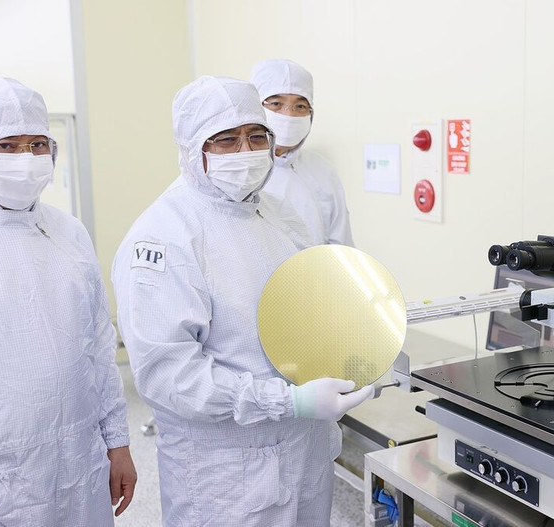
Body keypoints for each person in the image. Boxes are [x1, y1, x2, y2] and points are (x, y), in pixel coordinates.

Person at [112, 76, 373, 526]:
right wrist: (289, 402)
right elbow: (169, 376)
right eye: (226, 140)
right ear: (195, 148)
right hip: (225, 476)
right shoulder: (165, 236)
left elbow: (313, 302)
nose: (246, 151)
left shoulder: (275, 213)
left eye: (257, 136)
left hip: (304, 455)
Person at [0, 76, 136, 525]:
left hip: (81, 463)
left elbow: (99, 350)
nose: (24, 160)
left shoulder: (68, 233)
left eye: (35, 145)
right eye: (5, 146)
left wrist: (118, 443)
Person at [251, 59, 355, 247]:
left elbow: (342, 245)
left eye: (300, 106)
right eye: (276, 103)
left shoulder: (322, 169)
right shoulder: (241, 173)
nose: (289, 115)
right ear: (256, 108)